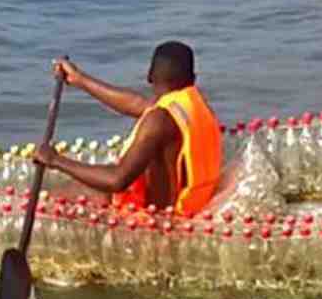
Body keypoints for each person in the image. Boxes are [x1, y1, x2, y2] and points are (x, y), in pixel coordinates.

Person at [30, 41, 224, 216]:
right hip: (194, 206)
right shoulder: (191, 107)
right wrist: (80, 80)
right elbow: (136, 103)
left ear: (149, 76)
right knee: (80, 186)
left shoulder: (159, 121)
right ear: (193, 79)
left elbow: (117, 180)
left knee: (52, 199)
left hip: (160, 219)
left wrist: (55, 160)